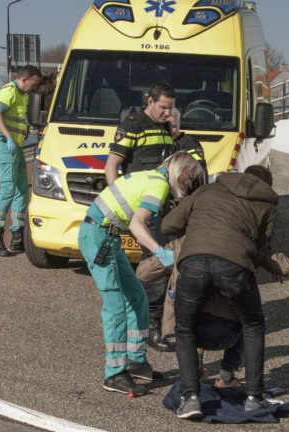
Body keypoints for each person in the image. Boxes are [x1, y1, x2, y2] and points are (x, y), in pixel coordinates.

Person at [161, 165, 285, 419]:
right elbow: (261, 250)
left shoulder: (207, 191)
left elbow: (168, 224)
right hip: (234, 267)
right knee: (253, 324)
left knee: (184, 328)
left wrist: (197, 227)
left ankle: (190, 399)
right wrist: (274, 265)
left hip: (193, 262)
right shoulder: (267, 206)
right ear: (267, 185)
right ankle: (253, 397)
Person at [79, 152, 205, 396]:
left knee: (137, 297)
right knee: (115, 305)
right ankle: (114, 373)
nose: (191, 182)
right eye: (191, 177)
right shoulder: (158, 186)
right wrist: (159, 252)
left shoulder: (150, 177)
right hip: (98, 237)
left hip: (107, 238)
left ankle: (136, 362)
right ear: (182, 172)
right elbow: (137, 224)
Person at [104, 82, 177, 352]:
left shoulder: (165, 126)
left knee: (161, 268)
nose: (167, 113)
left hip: (163, 204)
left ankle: (153, 323)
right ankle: (150, 330)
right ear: (149, 101)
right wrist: (120, 203)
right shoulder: (132, 125)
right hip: (144, 208)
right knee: (155, 268)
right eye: (163, 108)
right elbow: (111, 166)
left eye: (170, 108)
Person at [0, 65, 41, 257]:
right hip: (4, 143)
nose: (34, 88)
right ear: (25, 79)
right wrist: (8, 136)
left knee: (22, 191)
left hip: (16, 146)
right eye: (33, 84)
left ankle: (17, 236)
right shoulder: (9, 91)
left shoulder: (24, 95)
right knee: (8, 188)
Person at [169, 108, 207, 175]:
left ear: (179, 123)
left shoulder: (191, 145)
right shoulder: (158, 142)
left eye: (174, 126)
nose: (171, 130)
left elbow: (201, 173)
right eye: (168, 126)